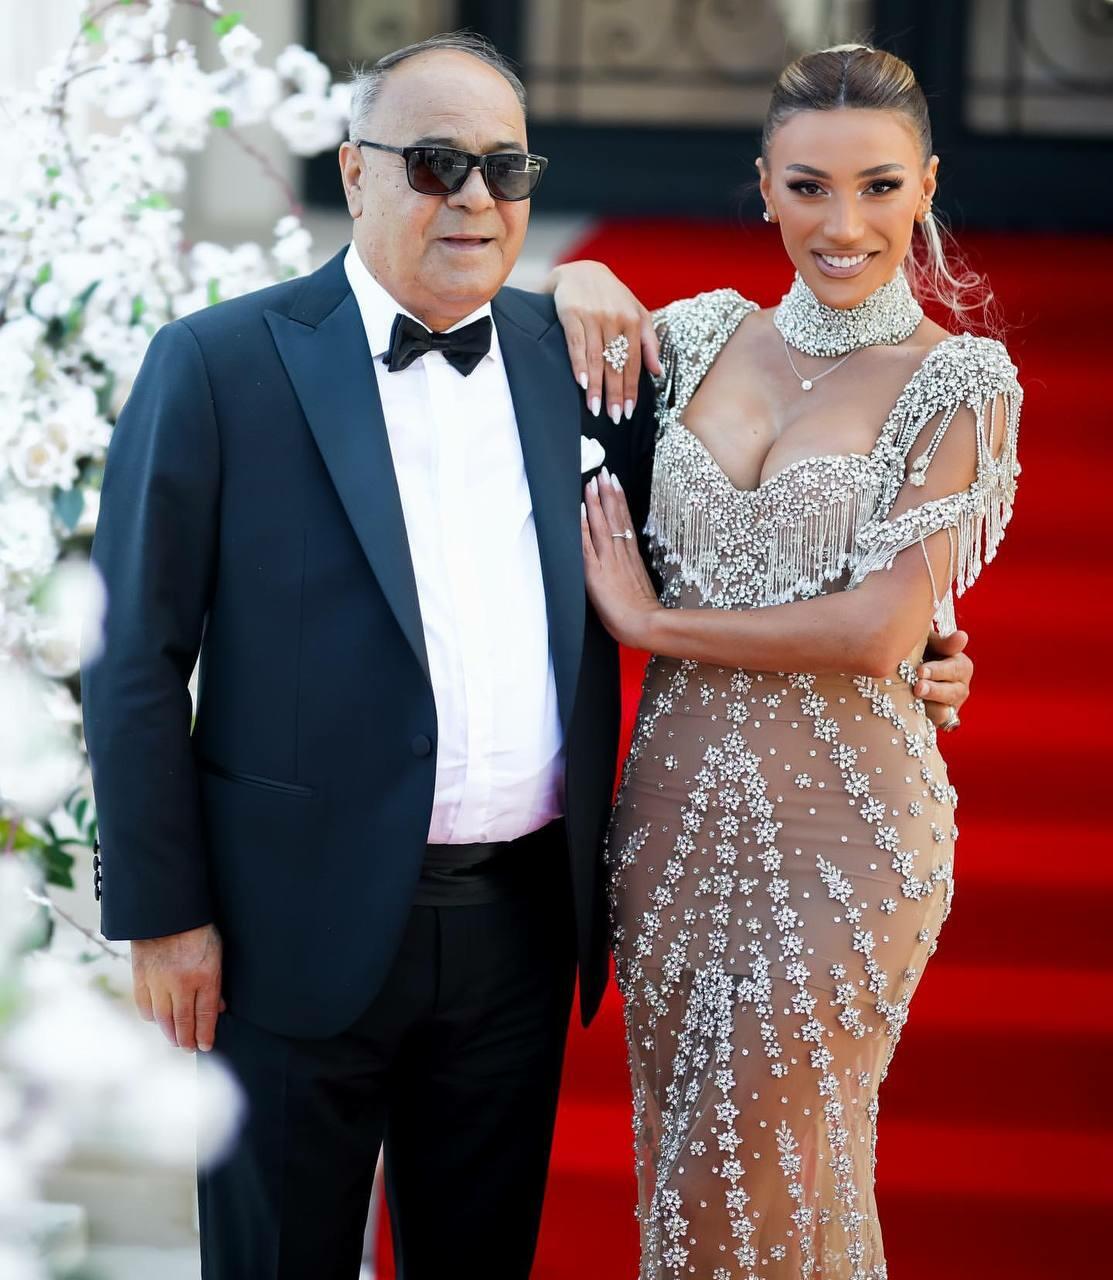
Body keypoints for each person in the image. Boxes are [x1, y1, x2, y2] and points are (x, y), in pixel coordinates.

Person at [79, 31, 974, 1280]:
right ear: (353, 171)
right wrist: (164, 913)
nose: (474, 197)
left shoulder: (588, 365)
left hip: (517, 930)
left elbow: (737, 544)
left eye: (505, 167)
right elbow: (130, 655)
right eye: (434, 163)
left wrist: (926, 640)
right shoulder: (221, 363)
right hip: (289, 926)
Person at [546, 43, 1020, 1279]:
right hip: (668, 824)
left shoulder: (959, 379)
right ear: (764, 186)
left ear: (926, 186)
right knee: (695, 1172)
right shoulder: (697, 337)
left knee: (751, 1167)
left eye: (878, 186)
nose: (843, 224)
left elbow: (876, 632)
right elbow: (528, 381)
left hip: (847, 834)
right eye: (808, 186)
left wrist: (653, 625)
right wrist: (573, 272)